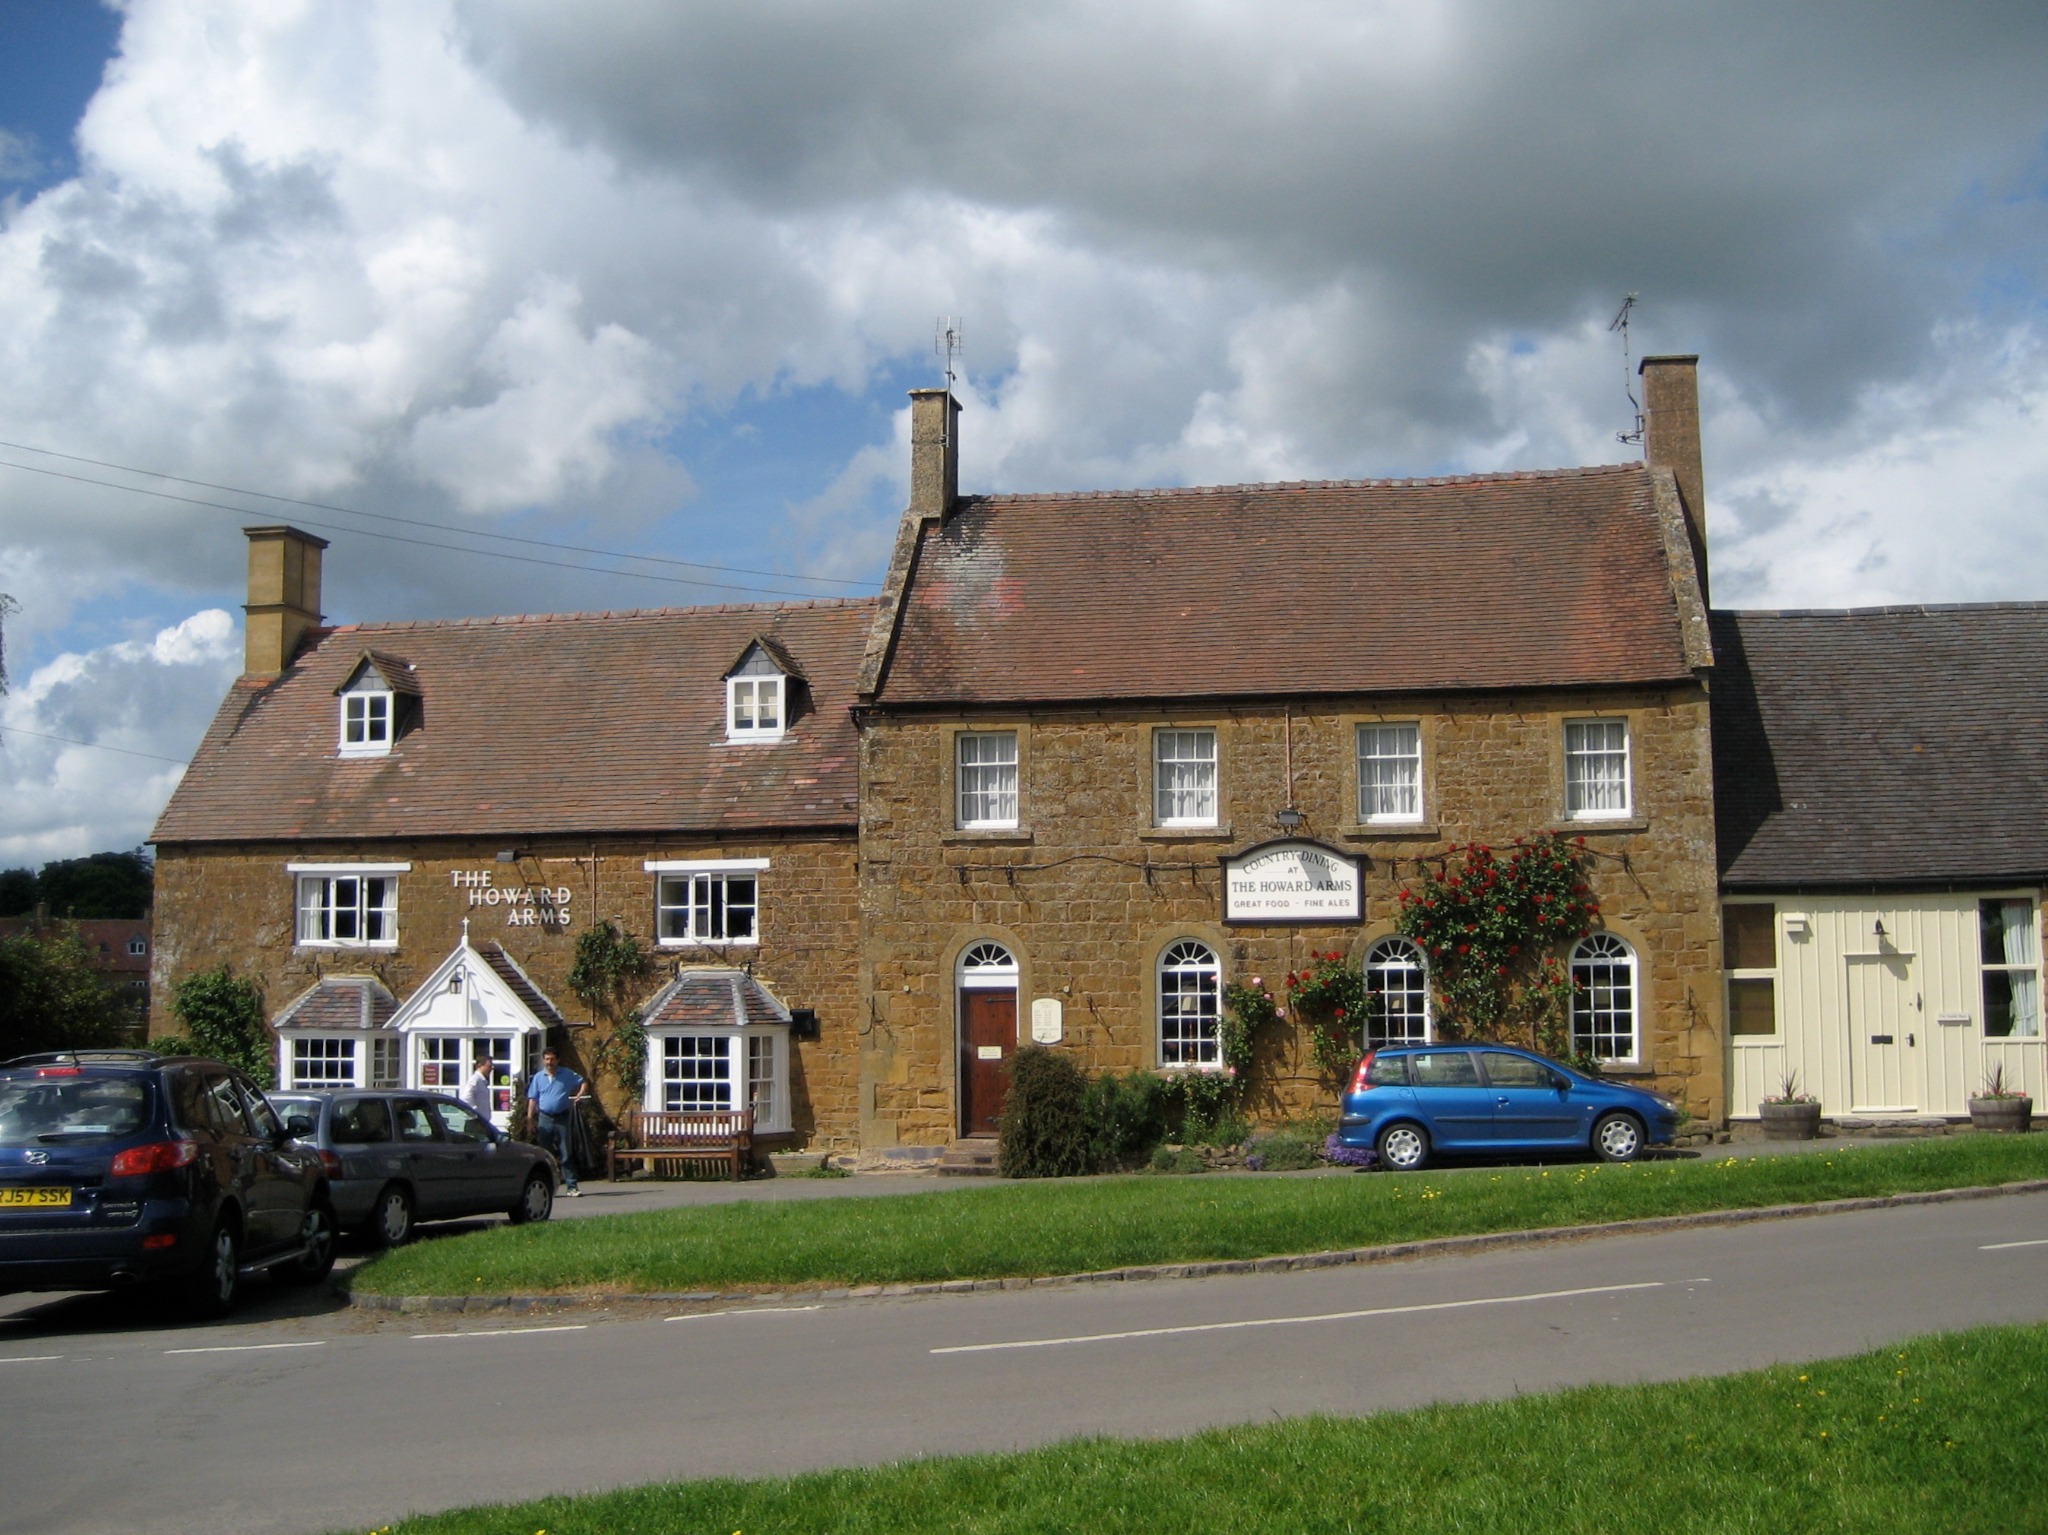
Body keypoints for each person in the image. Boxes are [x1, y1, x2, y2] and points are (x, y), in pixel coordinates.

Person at [525, 1046, 588, 1195]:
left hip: (562, 1118)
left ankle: (572, 1187)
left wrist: (580, 1094)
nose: (549, 1062)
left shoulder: (566, 1074)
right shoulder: (538, 1078)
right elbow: (532, 1100)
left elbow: (583, 1081)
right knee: (545, 1155)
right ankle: (546, 1187)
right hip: (544, 1118)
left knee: (566, 1153)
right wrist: (529, 1120)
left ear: (557, 1060)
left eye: (552, 1059)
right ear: (543, 1060)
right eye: (547, 1059)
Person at [462, 1049, 495, 1121]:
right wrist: (475, 1114)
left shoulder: (482, 1081)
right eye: (489, 1066)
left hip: (482, 1122)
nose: (491, 1068)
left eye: (492, 1066)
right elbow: (466, 1098)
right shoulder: (475, 1079)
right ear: (480, 1066)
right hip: (476, 1123)